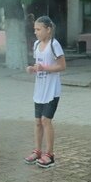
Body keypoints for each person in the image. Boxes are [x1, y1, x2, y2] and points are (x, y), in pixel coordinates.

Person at [24, 16, 66, 169]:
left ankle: (50, 154)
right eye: (35, 29)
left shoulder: (54, 45)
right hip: (39, 89)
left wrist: (45, 68)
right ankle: (37, 151)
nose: (36, 32)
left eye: (38, 29)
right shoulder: (36, 44)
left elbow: (62, 66)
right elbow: (38, 64)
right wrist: (32, 69)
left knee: (45, 121)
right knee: (37, 122)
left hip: (52, 90)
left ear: (48, 30)